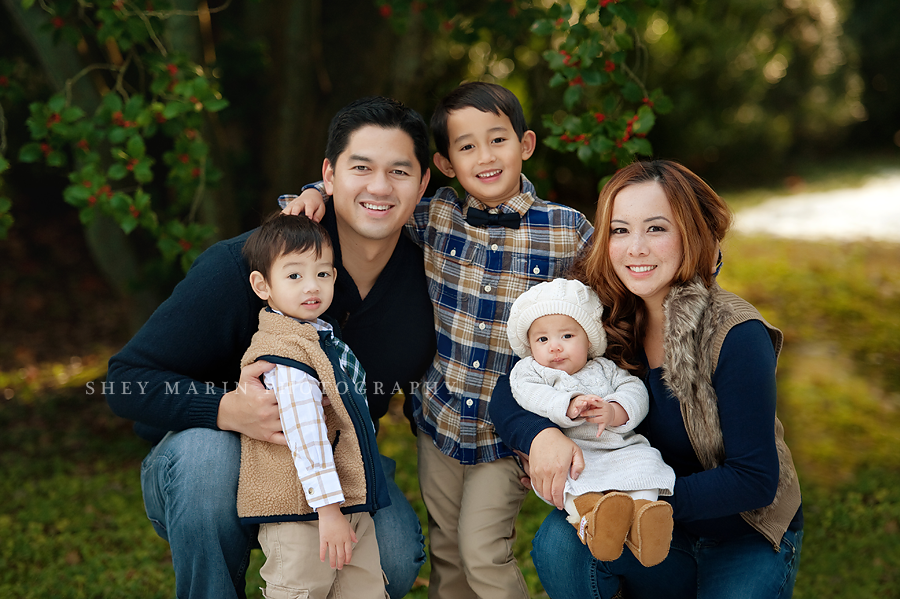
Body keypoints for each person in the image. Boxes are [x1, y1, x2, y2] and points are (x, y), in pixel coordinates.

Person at [105, 96, 436, 599]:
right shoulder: (245, 265)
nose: (379, 187)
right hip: (219, 458)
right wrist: (227, 409)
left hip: (336, 455)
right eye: (360, 167)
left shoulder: (431, 278)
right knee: (204, 458)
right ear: (328, 174)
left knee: (391, 555)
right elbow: (124, 381)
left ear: (423, 183)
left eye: (399, 171)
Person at [287, 82, 594, 598]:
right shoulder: (433, 216)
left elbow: (616, 295)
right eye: (466, 146)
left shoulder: (568, 231)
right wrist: (315, 193)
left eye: (498, 139)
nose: (485, 156)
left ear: (527, 144)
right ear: (446, 163)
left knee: (483, 550)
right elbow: (364, 199)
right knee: (448, 549)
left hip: (509, 432)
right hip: (439, 421)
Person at [490, 159, 803, 599]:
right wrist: (539, 435)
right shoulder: (603, 311)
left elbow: (753, 479)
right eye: (620, 230)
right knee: (560, 544)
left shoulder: (734, 334)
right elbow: (513, 384)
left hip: (740, 533)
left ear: (691, 234)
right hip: (650, 523)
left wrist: (633, 502)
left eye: (656, 228)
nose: (635, 248)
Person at [237, 212, 390, 598]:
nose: (312, 286)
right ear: (262, 285)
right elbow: (305, 433)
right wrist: (328, 511)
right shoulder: (286, 356)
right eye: (294, 275)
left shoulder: (319, 337)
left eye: (322, 273)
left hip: (342, 501)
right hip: (306, 508)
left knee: (364, 588)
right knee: (302, 588)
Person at [505, 277, 675, 568]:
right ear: (530, 345)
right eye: (542, 339)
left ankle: (647, 520)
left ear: (589, 339)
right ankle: (595, 523)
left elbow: (635, 392)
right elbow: (530, 394)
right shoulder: (530, 371)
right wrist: (567, 405)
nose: (554, 347)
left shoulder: (605, 368)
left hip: (619, 448)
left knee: (646, 463)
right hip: (575, 454)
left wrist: (613, 411)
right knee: (571, 481)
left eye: (567, 337)